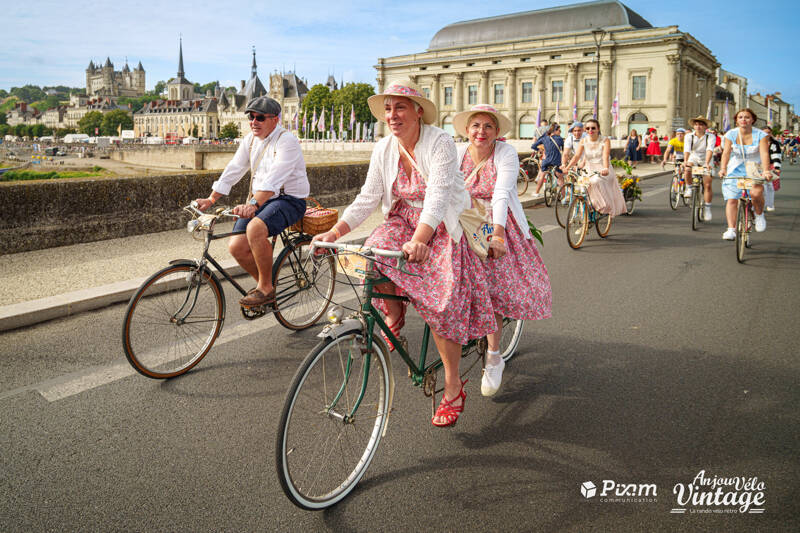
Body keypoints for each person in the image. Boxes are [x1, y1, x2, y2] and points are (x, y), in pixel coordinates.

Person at [314, 80, 495, 427]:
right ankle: (393, 318)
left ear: (417, 111)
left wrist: (422, 238)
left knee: (440, 298)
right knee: (372, 256)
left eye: (399, 107)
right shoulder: (384, 148)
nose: (392, 115)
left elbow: (438, 195)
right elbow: (368, 197)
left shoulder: (439, 141)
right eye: (387, 108)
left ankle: (453, 386)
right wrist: (335, 232)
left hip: (440, 222)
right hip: (402, 217)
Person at [452, 104, 552, 396]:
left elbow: (501, 193)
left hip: (494, 220)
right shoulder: (457, 153)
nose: (480, 132)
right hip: (463, 219)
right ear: (467, 130)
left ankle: (494, 356)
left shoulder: (505, 153)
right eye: (475, 126)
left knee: (492, 286)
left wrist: (498, 234)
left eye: (487, 127)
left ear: (496, 133)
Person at [194, 96, 309, 308]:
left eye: (260, 118)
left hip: (289, 199)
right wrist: (211, 199)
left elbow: (275, 177)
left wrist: (253, 205)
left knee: (255, 228)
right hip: (262, 200)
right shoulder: (250, 140)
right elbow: (234, 169)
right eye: (251, 117)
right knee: (236, 247)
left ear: (275, 119)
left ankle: (265, 288)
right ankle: (267, 286)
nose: (253, 122)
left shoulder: (287, 141)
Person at [718, 108, 772, 239]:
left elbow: (764, 154)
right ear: (736, 121)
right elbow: (726, 153)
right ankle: (731, 229)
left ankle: (759, 215)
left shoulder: (761, 135)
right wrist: (723, 168)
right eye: (740, 117)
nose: (744, 119)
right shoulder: (730, 134)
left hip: (754, 168)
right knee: (732, 199)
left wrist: (766, 170)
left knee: (756, 193)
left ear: (752, 120)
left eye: (747, 117)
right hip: (735, 168)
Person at [563, 118, 626, 215]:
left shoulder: (605, 140)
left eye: (593, 128)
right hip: (588, 169)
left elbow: (605, 156)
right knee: (581, 187)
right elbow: (576, 156)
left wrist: (605, 168)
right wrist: (567, 167)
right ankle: (585, 218)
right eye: (587, 128)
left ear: (598, 129)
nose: (590, 130)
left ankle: (601, 206)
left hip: (602, 169)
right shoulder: (583, 141)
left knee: (595, 181)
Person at [683, 117, 716, 221]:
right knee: (687, 169)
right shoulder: (689, 136)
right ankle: (688, 187)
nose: (698, 126)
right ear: (693, 126)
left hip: (706, 158)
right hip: (694, 157)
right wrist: (685, 161)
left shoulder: (710, 136)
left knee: (707, 184)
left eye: (701, 125)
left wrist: (706, 163)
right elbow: (687, 149)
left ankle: (707, 208)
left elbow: (710, 149)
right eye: (696, 124)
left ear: (705, 127)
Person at [531, 123, 564, 196]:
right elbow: (564, 151)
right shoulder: (560, 139)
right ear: (555, 131)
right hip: (556, 161)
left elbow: (533, 146)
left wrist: (541, 150)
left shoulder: (544, 138)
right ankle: (564, 197)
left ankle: (536, 192)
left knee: (542, 175)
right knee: (560, 178)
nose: (560, 132)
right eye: (559, 130)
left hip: (546, 160)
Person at [762, 126, 781, 212]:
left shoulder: (774, 143)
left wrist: (777, 167)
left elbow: (777, 155)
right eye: (765, 132)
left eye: (768, 132)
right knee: (760, 185)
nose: (767, 134)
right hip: (758, 165)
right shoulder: (757, 141)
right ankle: (759, 202)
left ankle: (770, 203)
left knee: (769, 185)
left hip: (771, 165)